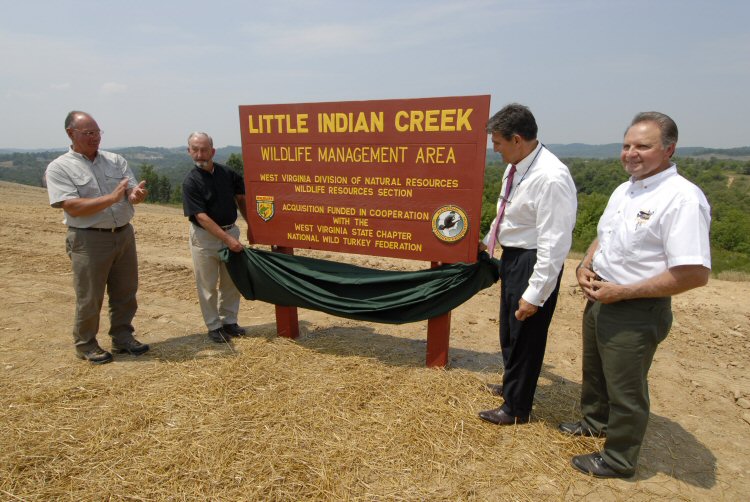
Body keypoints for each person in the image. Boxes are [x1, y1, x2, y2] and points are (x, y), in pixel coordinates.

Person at [560, 112, 711, 479]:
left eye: (643, 146)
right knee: (595, 371)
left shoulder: (683, 198)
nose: (631, 153)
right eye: (627, 145)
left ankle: (619, 459)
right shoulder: (625, 188)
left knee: (626, 386)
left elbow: (694, 273)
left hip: (636, 308)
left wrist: (623, 292)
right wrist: (585, 263)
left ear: (669, 149)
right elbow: (606, 235)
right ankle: (595, 422)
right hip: (601, 295)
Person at [478, 103, 578, 425]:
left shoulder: (551, 177)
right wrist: (490, 240)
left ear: (517, 139)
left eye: (498, 143)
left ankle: (516, 408)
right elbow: (506, 211)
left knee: (527, 333)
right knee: (510, 328)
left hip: (534, 260)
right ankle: (512, 387)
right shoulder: (516, 166)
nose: (495, 150)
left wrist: (535, 293)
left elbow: (555, 243)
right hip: (513, 256)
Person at [45, 111, 150, 364]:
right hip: (88, 239)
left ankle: (123, 337)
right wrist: (111, 199)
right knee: (90, 296)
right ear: (71, 134)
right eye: (88, 133)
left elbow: (131, 190)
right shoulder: (59, 167)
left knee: (126, 291)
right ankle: (86, 344)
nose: (95, 138)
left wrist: (135, 195)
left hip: (123, 234)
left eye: (97, 132)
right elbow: (72, 206)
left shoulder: (115, 160)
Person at [182, 132, 248, 343]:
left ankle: (229, 321)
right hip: (205, 240)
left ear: (213, 150)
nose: (200, 154)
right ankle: (214, 326)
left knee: (230, 281)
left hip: (230, 232)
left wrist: (252, 225)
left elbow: (241, 198)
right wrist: (228, 240)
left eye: (204, 149)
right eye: (195, 150)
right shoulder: (190, 182)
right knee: (207, 285)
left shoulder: (228, 174)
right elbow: (201, 217)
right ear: (189, 151)